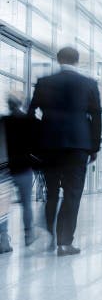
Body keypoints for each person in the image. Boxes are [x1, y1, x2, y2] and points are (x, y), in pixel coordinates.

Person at [28, 46, 102, 256]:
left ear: (58, 59)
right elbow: (96, 116)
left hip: (49, 145)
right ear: (77, 61)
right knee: (73, 193)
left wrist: (38, 138)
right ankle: (64, 242)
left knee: (51, 192)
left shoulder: (44, 83)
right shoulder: (89, 84)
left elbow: (31, 113)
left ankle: (49, 235)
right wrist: (94, 146)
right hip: (79, 144)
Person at [0, 92, 37, 252]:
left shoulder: (3, 121)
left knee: (3, 207)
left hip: (5, 170)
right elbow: (35, 145)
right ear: (20, 104)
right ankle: (28, 235)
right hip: (24, 168)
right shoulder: (28, 121)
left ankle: (3, 241)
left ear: (8, 105)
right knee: (26, 204)